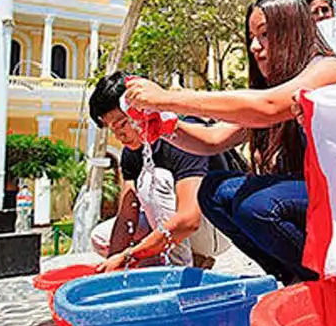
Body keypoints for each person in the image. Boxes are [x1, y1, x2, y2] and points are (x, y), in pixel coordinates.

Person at [122, 0, 336, 284]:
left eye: (266, 34)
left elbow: (267, 106)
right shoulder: (278, 88)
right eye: (252, 38)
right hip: (315, 198)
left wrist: (168, 99)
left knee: (257, 205)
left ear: (292, 31)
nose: (255, 47)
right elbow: (214, 139)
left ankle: (324, 280)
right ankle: (290, 278)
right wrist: (167, 128)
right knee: (214, 191)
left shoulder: (328, 69)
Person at [88, 72, 230, 271]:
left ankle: (180, 268)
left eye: (122, 123)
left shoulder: (179, 135)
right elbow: (127, 216)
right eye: (112, 128)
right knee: (101, 237)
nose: (119, 134)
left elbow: (189, 220)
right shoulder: (131, 153)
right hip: (178, 224)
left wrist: (129, 256)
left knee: (152, 179)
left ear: (141, 110)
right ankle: (157, 266)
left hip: (216, 226)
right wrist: (113, 263)